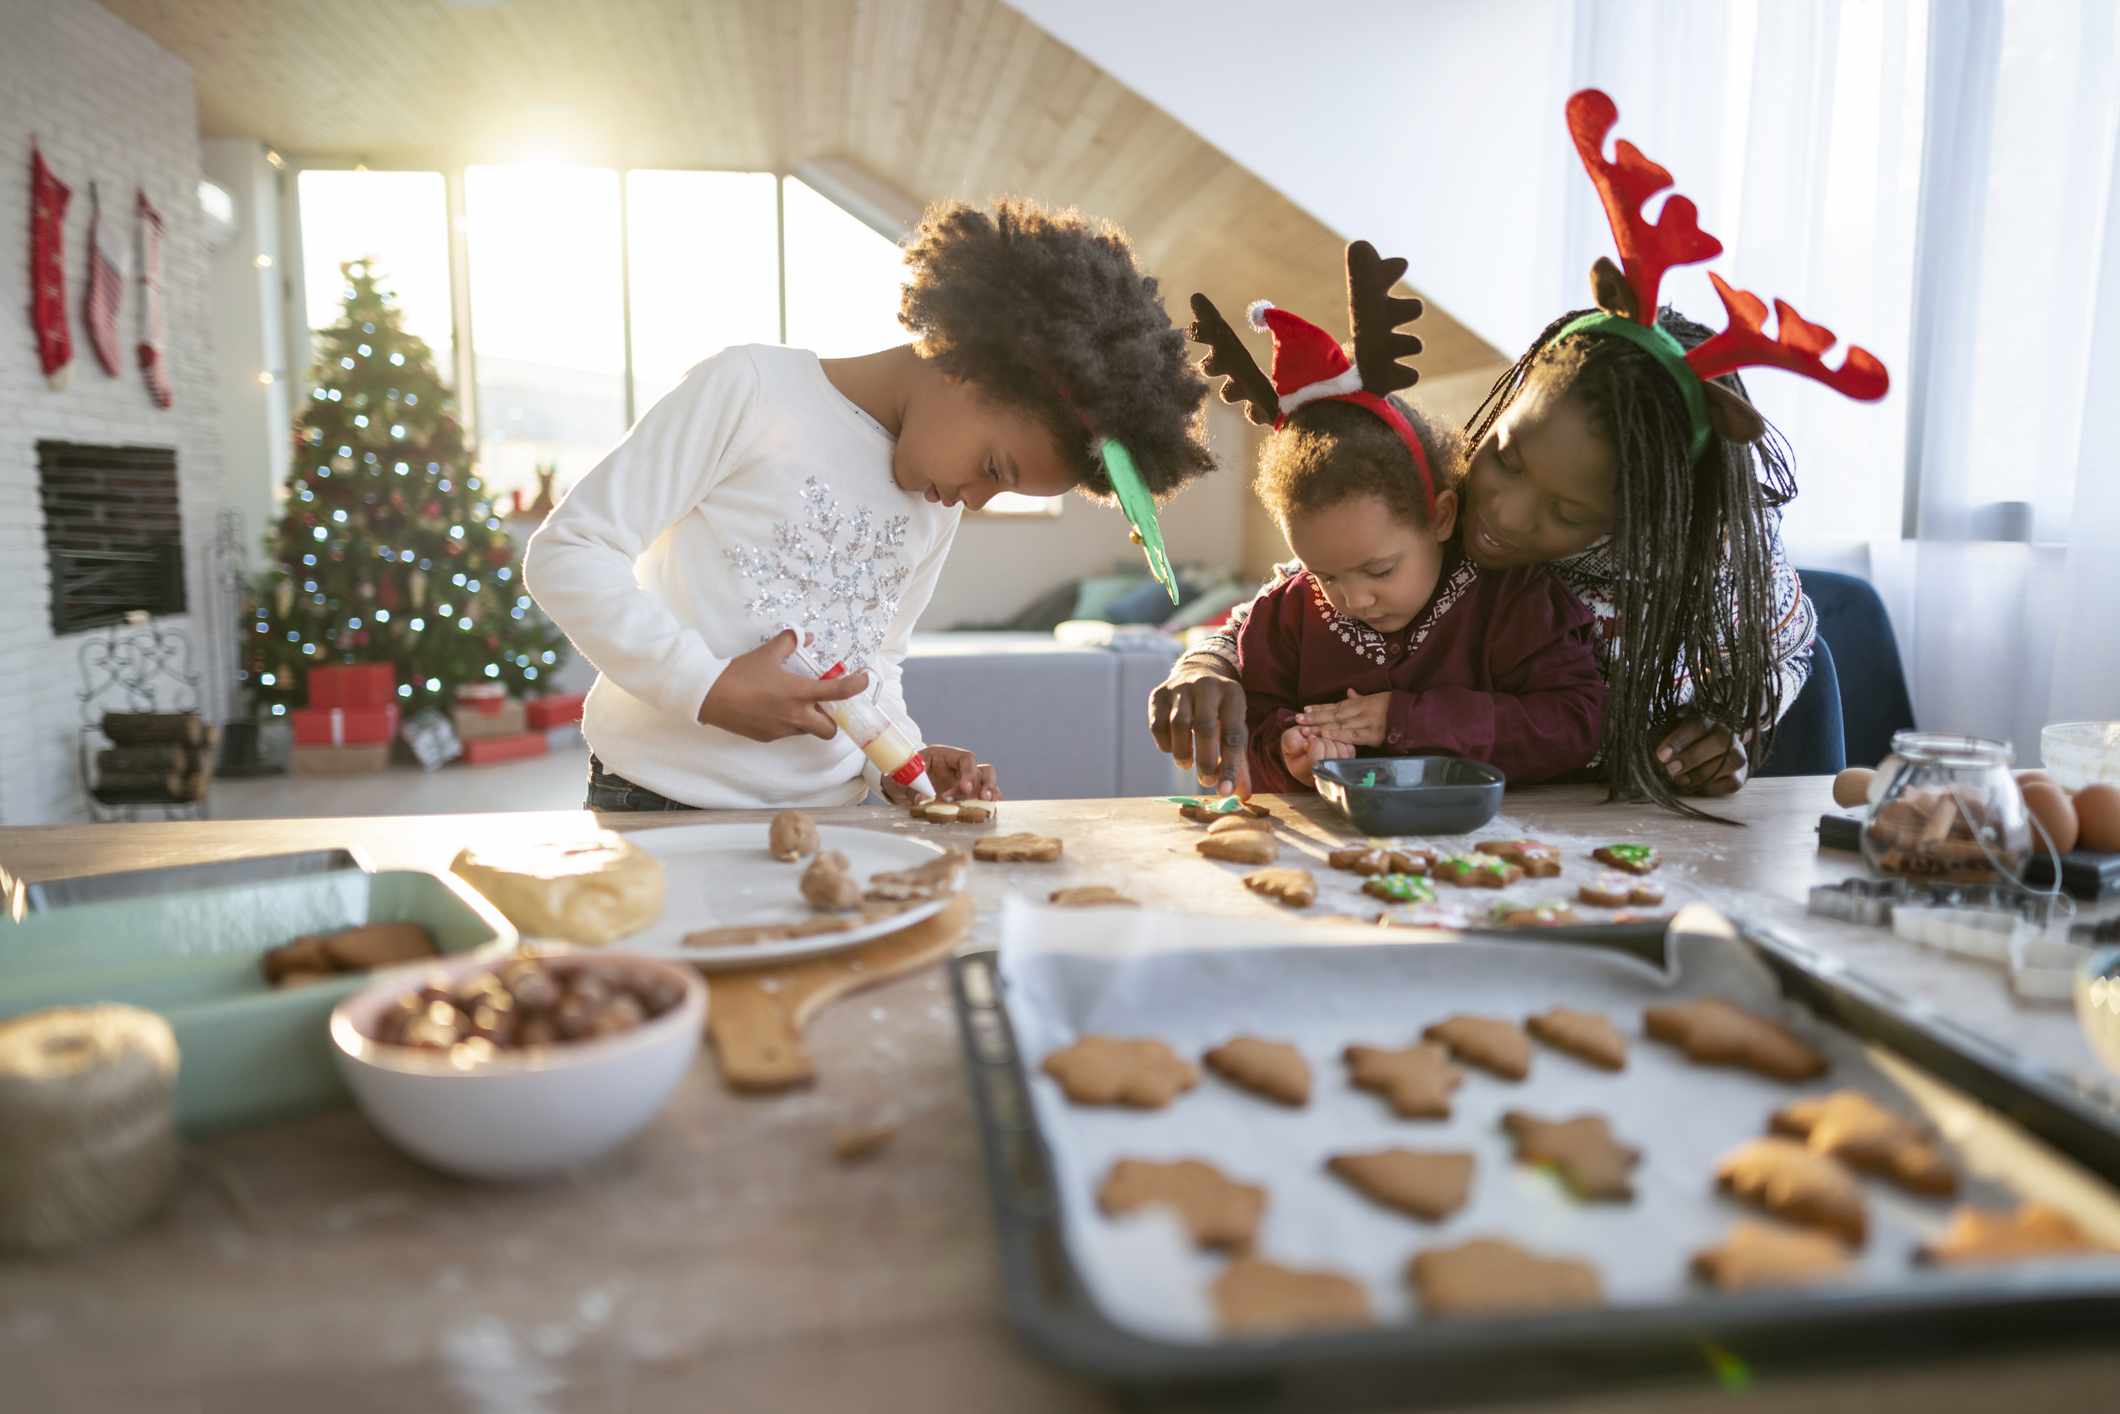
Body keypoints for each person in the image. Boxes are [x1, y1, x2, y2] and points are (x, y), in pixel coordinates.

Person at [1151, 89, 1888, 817]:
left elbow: (1783, 659)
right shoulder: (1446, 490)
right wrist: (1209, 659)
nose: (1498, 511)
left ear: (1647, 515)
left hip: (1638, 823)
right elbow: (1312, 580)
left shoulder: (1720, 559)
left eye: (1566, 510)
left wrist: (1734, 732)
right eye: (1505, 457)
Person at [528, 199, 1214, 810]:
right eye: (993, 469)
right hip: (660, 799)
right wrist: (705, 688)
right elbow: (572, 553)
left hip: (838, 809)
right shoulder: (750, 389)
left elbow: (875, 663)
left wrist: (905, 767)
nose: (973, 501)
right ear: (971, 361)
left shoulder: (935, 503)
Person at [1188, 243, 1603, 793]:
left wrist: (1405, 720)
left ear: (1441, 517)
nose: (1352, 600)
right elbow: (1253, 733)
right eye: (1325, 575)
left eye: (1379, 570)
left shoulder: (1513, 602)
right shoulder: (1284, 619)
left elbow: (1577, 724)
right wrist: (1286, 755)